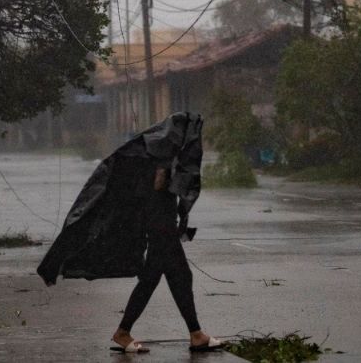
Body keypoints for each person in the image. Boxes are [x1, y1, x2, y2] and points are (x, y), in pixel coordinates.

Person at [37, 113, 224, 354]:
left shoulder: (163, 154)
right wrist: (166, 175)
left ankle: (130, 332)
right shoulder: (157, 156)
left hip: (162, 224)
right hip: (159, 227)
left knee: (157, 279)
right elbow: (155, 187)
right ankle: (191, 334)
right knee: (179, 276)